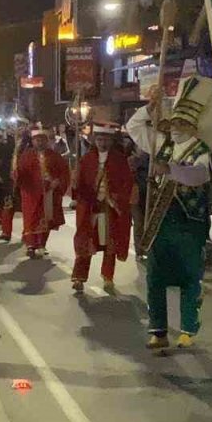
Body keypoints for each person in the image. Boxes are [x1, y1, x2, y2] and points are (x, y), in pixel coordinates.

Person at [126, 77, 212, 348]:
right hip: (161, 222)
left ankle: (188, 327)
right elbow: (133, 127)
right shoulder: (160, 144)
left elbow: (198, 176)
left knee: (189, 277)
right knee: (155, 276)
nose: (176, 127)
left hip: (189, 223)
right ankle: (158, 331)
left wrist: (170, 170)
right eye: (174, 122)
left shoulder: (202, 150)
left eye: (182, 123)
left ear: (193, 126)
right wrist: (150, 107)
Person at [71, 121, 134, 294]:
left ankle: (108, 277)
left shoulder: (120, 161)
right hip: (90, 209)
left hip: (110, 209)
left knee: (110, 245)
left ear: (111, 141)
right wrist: (77, 184)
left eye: (105, 139)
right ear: (95, 140)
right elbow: (79, 184)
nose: (102, 143)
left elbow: (127, 183)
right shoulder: (86, 160)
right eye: (99, 139)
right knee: (85, 242)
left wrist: (115, 198)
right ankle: (79, 277)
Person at [17, 123, 69, 259]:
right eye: (36, 140)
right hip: (31, 194)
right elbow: (19, 173)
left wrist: (57, 182)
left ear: (46, 141)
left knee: (46, 219)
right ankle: (30, 245)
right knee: (30, 219)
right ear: (33, 141)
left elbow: (64, 172)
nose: (39, 142)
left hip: (49, 193)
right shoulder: (26, 156)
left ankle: (41, 244)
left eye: (42, 140)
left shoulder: (55, 156)